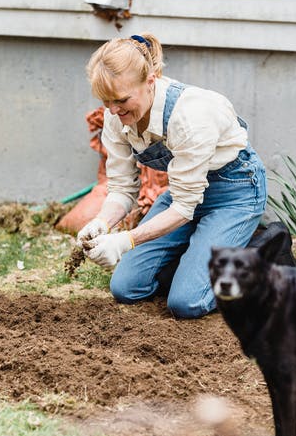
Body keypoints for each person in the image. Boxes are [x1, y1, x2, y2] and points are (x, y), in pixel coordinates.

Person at [77, 32, 267, 319]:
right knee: (126, 287)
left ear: (150, 81)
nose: (113, 110)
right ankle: (197, 259)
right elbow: (121, 189)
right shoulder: (116, 118)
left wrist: (126, 240)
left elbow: (182, 208)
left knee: (186, 303)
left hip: (235, 193)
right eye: (106, 101)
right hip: (184, 193)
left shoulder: (190, 117)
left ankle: (263, 253)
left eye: (121, 99)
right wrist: (102, 223)